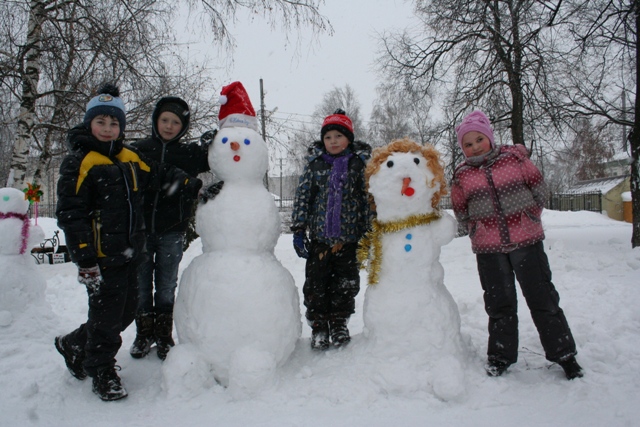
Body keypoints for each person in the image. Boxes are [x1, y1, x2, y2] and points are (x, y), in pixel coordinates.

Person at [54, 84, 202, 401]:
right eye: (101, 122)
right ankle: (101, 369)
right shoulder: (81, 162)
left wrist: (195, 186)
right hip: (100, 257)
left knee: (125, 313)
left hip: (130, 252)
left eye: (114, 123)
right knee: (108, 318)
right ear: (89, 124)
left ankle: (75, 343)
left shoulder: (129, 157)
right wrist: (85, 260)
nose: (108, 129)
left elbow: (161, 175)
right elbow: (71, 215)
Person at [450, 110, 584, 380]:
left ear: (489, 136)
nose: (475, 146)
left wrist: (530, 215)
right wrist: (476, 228)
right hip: (489, 249)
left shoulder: (514, 157)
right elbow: (460, 209)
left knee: (543, 299)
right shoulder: (462, 174)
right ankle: (500, 356)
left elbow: (538, 188)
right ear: (462, 148)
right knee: (500, 304)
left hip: (526, 241)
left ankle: (564, 355)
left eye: (479, 139)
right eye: (468, 144)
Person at [129, 97, 210, 361]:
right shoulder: (138, 150)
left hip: (172, 231)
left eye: (176, 122)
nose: (169, 126)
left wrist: (216, 138)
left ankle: (163, 334)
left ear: (183, 127)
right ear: (155, 120)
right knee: (141, 285)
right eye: (165, 119)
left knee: (165, 285)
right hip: (139, 232)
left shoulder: (189, 154)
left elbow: (219, 157)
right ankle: (143, 334)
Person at [291, 109, 371, 350]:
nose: (333, 141)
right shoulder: (315, 166)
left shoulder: (358, 165)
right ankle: (318, 326)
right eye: (328, 137)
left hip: (349, 240)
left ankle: (338, 323)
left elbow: (367, 199)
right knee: (316, 285)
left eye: (338, 136)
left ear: (349, 138)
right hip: (320, 240)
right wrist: (298, 228)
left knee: (345, 284)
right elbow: (303, 197)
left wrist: (369, 231)